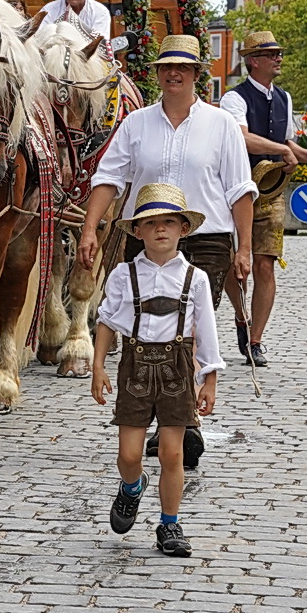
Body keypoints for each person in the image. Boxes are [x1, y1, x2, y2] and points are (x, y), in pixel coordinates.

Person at [79, 33, 253, 469]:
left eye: (182, 67)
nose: (173, 74)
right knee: (146, 323)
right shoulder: (136, 125)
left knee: (190, 326)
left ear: (197, 74)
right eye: (165, 67)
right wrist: (89, 229)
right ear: (158, 74)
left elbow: (239, 190)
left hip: (206, 237)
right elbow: (109, 178)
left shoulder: (222, 125)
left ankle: (181, 421)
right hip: (147, 235)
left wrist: (244, 247)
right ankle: (161, 413)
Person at [91, 184, 222, 559]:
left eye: (169, 222)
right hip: (134, 368)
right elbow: (106, 322)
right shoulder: (122, 274)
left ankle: (169, 523)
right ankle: (132, 487)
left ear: (184, 229)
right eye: (151, 223)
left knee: (171, 453)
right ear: (138, 231)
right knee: (130, 455)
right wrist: (98, 366)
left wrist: (208, 379)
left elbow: (206, 331)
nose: (161, 229)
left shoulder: (195, 278)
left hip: (177, 369)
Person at [217, 31, 307, 367]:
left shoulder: (284, 97)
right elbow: (243, 140)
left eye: (278, 53)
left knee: (265, 266)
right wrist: (282, 149)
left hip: (271, 192)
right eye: (271, 54)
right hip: (236, 191)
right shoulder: (233, 99)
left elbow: (287, 143)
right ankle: (241, 315)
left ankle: (255, 340)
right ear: (253, 61)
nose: (278, 59)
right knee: (234, 266)